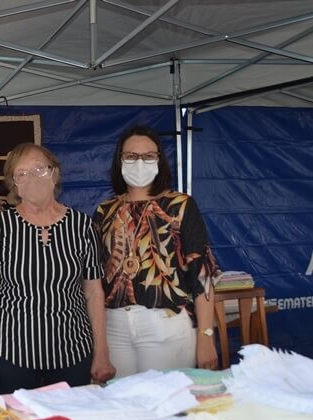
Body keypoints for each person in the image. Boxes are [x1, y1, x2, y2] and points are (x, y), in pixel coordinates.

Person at [0, 143, 115, 396]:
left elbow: (94, 292)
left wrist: (101, 352)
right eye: (22, 173)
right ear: (13, 185)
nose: (32, 178)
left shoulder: (82, 227)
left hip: (73, 352)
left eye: (39, 168)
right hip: (11, 354)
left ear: (55, 173)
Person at [92, 125, 220, 377]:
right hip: (114, 327)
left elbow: (202, 275)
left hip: (165, 325)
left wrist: (206, 335)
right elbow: (94, 277)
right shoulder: (104, 211)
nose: (139, 163)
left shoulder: (181, 206)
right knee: (123, 406)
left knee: (166, 408)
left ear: (159, 160)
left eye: (148, 156)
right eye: (131, 156)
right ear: (119, 160)